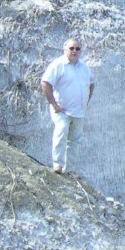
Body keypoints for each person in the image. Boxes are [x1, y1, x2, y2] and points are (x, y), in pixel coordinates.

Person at [40, 38, 94, 175]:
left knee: (74, 141)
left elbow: (91, 84)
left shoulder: (84, 68)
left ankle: (69, 169)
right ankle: (57, 165)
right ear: (65, 50)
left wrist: (85, 102)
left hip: (79, 112)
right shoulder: (58, 64)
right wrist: (54, 104)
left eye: (77, 49)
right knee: (61, 134)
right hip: (62, 111)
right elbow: (45, 83)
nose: (74, 51)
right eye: (71, 48)